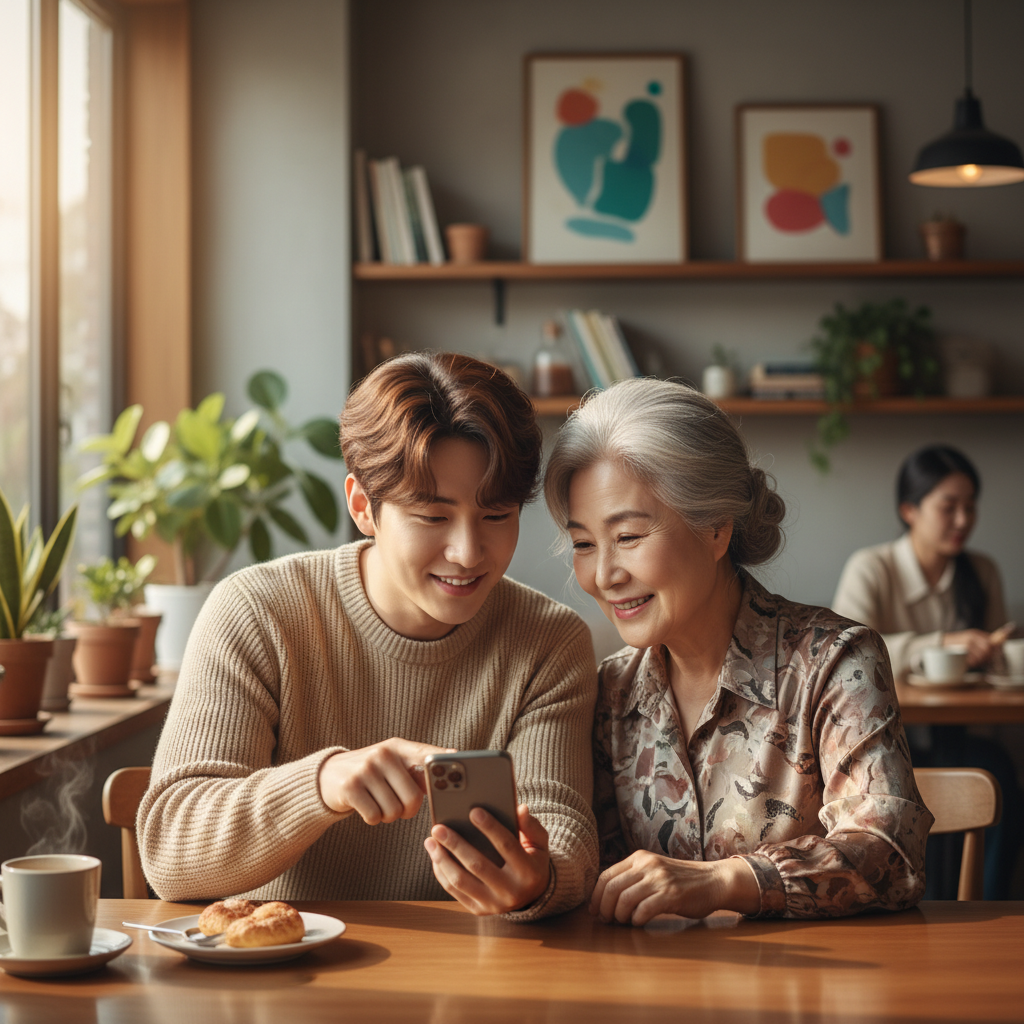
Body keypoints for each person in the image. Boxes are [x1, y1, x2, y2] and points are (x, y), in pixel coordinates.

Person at [138, 352, 599, 920]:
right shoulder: (257, 612)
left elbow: (564, 834)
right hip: (278, 982)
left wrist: (538, 880)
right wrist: (322, 783)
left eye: (496, 514)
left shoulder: (548, 643)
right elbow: (169, 852)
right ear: (363, 506)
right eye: (433, 517)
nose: (468, 552)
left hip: (470, 982)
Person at [543, 378, 931, 925]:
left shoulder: (836, 662)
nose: (604, 574)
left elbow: (890, 854)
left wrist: (725, 881)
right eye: (584, 544)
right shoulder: (608, 694)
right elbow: (591, 882)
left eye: (628, 537)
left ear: (716, 528)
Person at [832, 444, 1022, 899]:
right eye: (949, 506)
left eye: (970, 507)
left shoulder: (981, 571)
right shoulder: (872, 567)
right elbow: (842, 658)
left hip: (961, 733)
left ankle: (987, 906)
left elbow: (999, 664)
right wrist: (941, 645)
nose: (963, 520)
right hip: (886, 744)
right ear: (909, 510)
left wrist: (992, 653)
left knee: (999, 775)